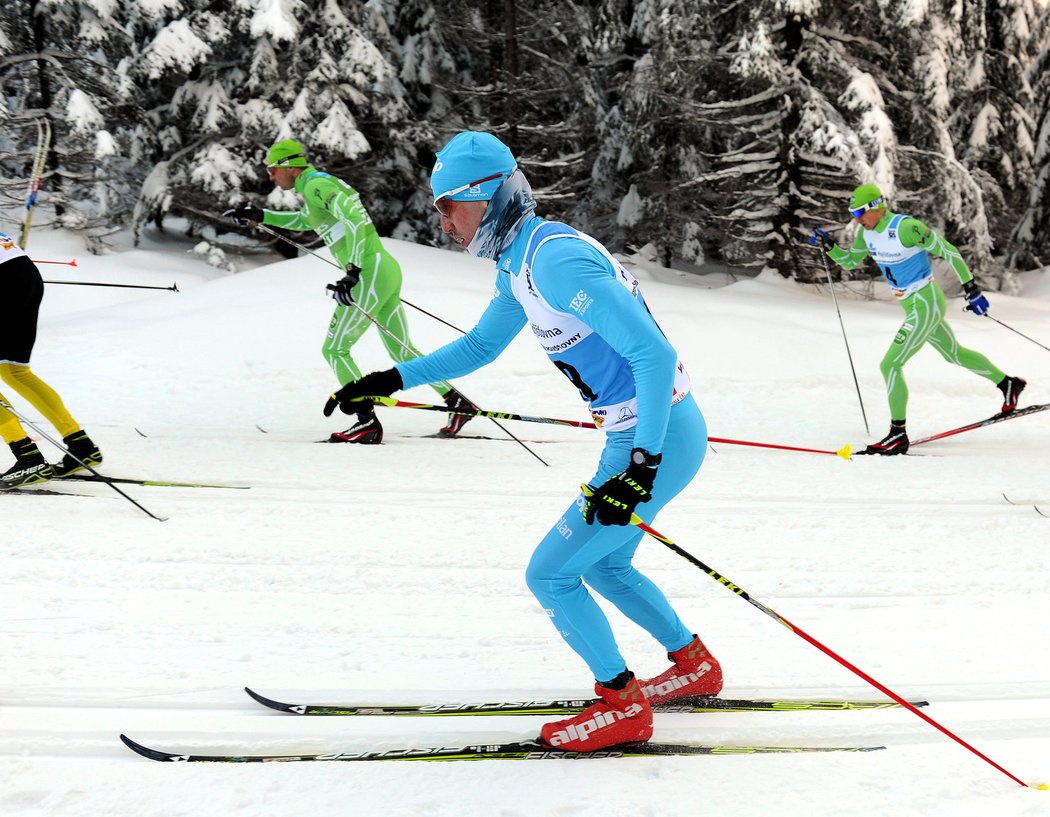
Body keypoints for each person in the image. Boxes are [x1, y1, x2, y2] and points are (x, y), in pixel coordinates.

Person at [322, 131, 722, 751]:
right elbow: (480, 346)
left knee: (551, 574)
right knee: (607, 564)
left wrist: (640, 466)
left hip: (656, 434)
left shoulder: (553, 261)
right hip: (651, 431)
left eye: (447, 204)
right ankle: (694, 666)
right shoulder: (519, 263)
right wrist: (386, 380)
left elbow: (654, 353)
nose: (443, 220)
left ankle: (622, 705)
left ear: (485, 197)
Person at [224, 138, 475, 443]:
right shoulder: (314, 187)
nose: (270, 176)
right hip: (383, 269)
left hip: (369, 271)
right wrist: (260, 216)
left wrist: (353, 271)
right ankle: (456, 402)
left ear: (289, 166)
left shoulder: (316, 185)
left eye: (272, 169)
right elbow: (307, 221)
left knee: (334, 349)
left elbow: (355, 219)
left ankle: (365, 420)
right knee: (401, 348)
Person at [811, 184, 1027, 455]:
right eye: (852, 213)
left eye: (859, 212)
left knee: (890, 364)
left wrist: (971, 288)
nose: (856, 218)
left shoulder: (906, 228)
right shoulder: (866, 234)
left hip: (926, 303)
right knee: (954, 354)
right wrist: (830, 248)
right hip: (910, 303)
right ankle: (1009, 384)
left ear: (876, 206)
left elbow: (949, 251)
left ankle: (897, 434)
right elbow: (851, 262)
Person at [0, 230, 102, 488]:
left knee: (13, 371)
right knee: (14, 371)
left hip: (6, 284)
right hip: (26, 276)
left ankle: (28, 458)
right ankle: (81, 446)